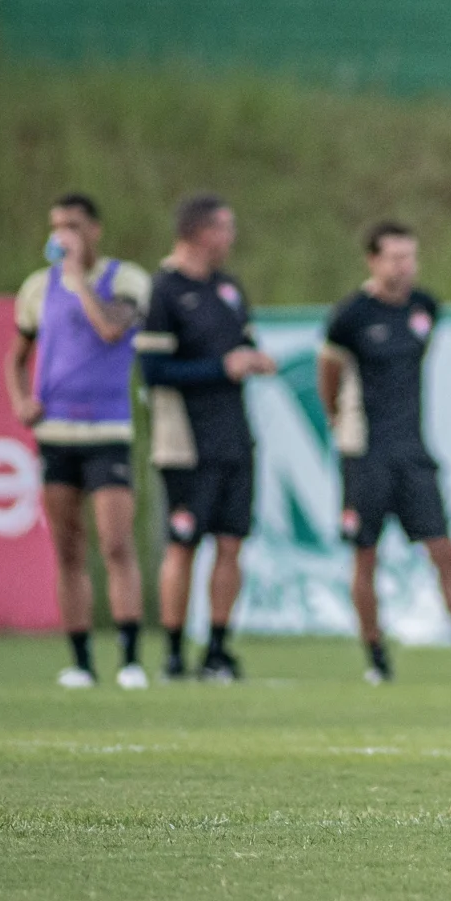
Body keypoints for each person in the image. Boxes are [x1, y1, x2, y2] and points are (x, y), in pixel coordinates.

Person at [317, 221, 451, 684]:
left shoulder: (425, 308)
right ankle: (376, 656)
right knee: (366, 555)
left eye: (410, 257)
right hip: (365, 453)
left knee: (444, 551)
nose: (406, 267)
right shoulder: (350, 317)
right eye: (396, 258)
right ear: (373, 261)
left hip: (413, 452)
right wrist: (340, 422)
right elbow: (329, 375)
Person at [6, 193, 151, 689]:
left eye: (71, 224)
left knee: (115, 543)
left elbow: (111, 328)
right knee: (68, 548)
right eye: (55, 225)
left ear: (94, 229)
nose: (61, 233)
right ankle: (81, 661)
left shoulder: (124, 279)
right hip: (57, 432)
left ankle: (130, 658)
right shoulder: (36, 288)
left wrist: (78, 281)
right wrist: (22, 400)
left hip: (107, 430)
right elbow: (16, 355)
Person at [135, 194, 275, 682]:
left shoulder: (228, 288)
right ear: (199, 233)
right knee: (184, 544)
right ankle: (174, 652)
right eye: (225, 228)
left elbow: (246, 345)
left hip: (234, 435)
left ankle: (217, 648)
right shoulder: (163, 291)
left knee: (231, 543)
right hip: (185, 442)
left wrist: (254, 358)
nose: (231, 238)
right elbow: (152, 371)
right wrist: (222, 367)